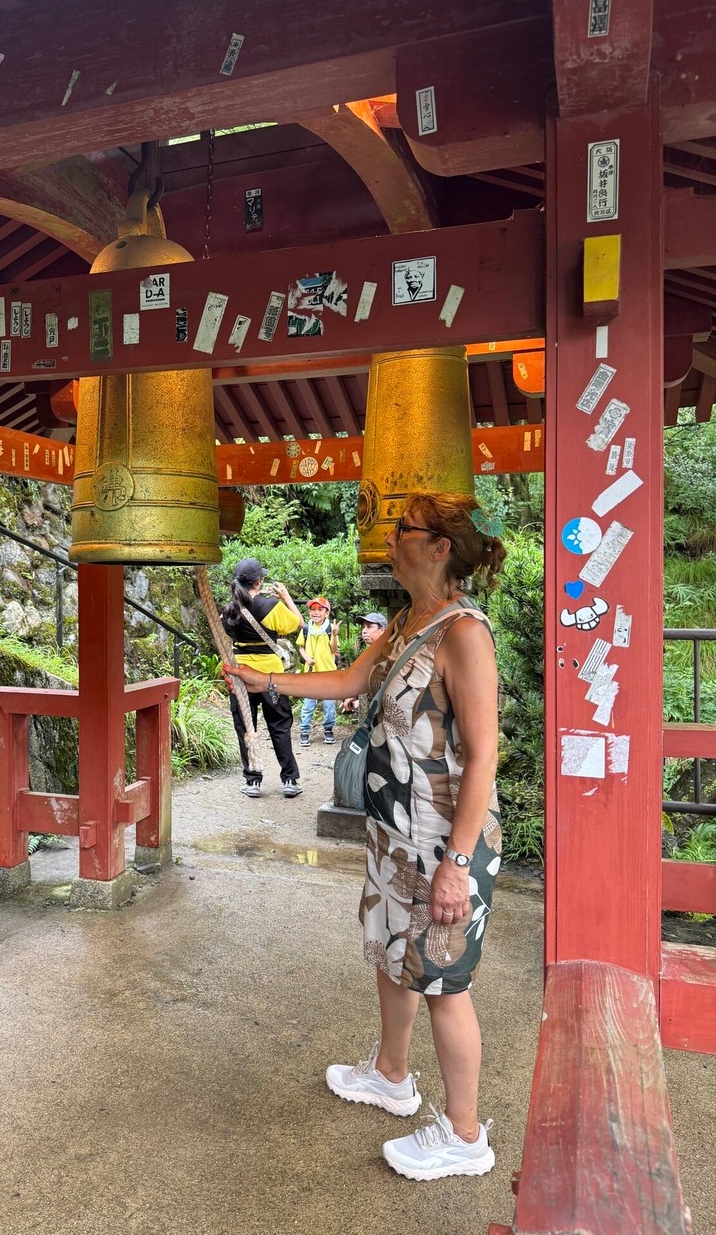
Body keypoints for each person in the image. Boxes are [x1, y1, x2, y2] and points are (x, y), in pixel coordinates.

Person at [224, 493, 506, 1181]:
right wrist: (263, 676)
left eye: (403, 530)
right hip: (394, 831)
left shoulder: (464, 634)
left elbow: (483, 757)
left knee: (442, 978)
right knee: (390, 950)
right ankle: (390, 1073)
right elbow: (351, 679)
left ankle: (466, 1136)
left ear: (439, 547)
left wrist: (457, 866)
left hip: (444, 840)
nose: (389, 540)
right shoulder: (412, 620)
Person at [221, 557, 305, 799]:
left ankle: (253, 781)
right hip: (270, 677)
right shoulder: (271, 606)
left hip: (240, 678)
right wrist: (286, 597)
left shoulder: (228, 611)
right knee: (280, 725)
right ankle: (289, 779)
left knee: (246, 726)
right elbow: (298, 623)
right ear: (259, 581)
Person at [297, 596, 340, 745]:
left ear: (327, 613)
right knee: (308, 704)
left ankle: (328, 730)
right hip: (311, 673)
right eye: (313, 609)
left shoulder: (329, 629)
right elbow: (301, 647)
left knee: (329, 705)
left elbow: (334, 649)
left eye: (320, 610)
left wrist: (334, 635)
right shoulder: (306, 629)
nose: (316, 612)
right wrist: (307, 658)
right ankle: (304, 731)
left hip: (328, 673)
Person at [341, 612, 388, 714]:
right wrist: (355, 696)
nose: (364, 631)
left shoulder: (388, 654)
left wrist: (363, 700)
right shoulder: (369, 653)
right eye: (364, 627)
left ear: (382, 631)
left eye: (369, 627)